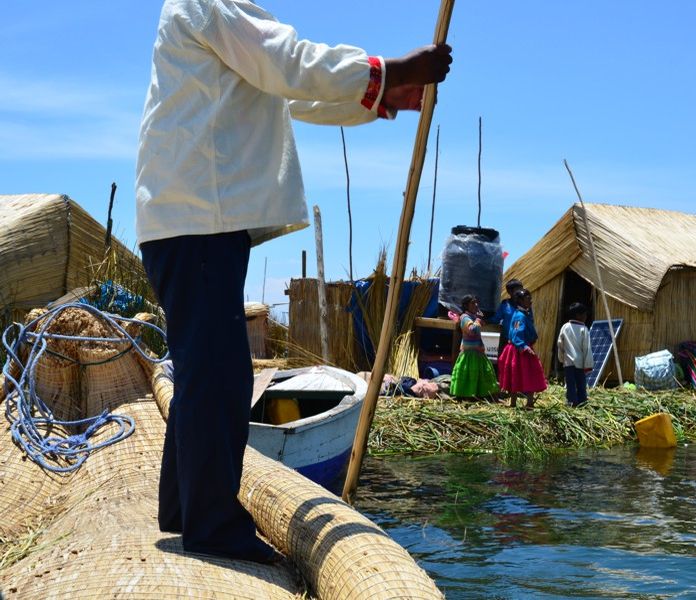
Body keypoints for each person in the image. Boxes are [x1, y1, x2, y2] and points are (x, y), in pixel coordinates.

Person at [136, 0, 452, 563]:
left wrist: (377, 94)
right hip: (198, 218)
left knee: (208, 366)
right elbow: (287, 63)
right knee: (217, 372)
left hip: (194, 220)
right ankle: (211, 525)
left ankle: (187, 507)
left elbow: (286, 91)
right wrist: (393, 71)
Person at [497, 289, 547, 409]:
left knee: (528, 374)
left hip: (524, 347)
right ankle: (514, 402)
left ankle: (528, 403)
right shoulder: (519, 316)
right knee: (517, 374)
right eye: (528, 299)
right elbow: (516, 333)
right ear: (520, 301)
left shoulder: (525, 314)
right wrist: (523, 346)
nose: (531, 301)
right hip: (519, 350)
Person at [449, 295, 499, 399]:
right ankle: (467, 395)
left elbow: (480, 325)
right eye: (473, 303)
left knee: (482, 373)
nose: (476, 305)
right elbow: (472, 330)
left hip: (477, 351)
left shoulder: (472, 317)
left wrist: (479, 319)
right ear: (466, 305)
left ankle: (479, 394)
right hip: (469, 353)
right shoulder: (464, 318)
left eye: (476, 302)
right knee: (470, 373)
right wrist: (478, 320)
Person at [557, 302, 593, 407]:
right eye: (584, 314)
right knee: (581, 383)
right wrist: (588, 364)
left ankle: (572, 402)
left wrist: (561, 358)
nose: (586, 317)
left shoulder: (565, 327)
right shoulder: (583, 329)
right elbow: (587, 347)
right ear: (578, 315)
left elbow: (560, 343)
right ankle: (582, 401)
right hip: (580, 362)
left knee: (570, 383)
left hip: (568, 362)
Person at [488, 279, 524, 356]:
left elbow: (529, 322)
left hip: (521, 341)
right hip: (507, 341)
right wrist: (485, 320)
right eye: (518, 289)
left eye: (521, 289)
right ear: (510, 292)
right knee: (504, 363)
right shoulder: (505, 304)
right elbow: (496, 319)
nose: (521, 291)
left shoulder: (525, 304)